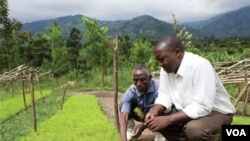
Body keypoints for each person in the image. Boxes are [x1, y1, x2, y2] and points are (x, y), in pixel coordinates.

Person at [145, 36, 236, 141]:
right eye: (158, 60)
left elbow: (203, 106)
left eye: (162, 59)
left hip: (216, 111)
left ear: (177, 53)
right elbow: (165, 95)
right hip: (186, 109)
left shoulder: (200, 66)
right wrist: (154, 111)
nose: (160, 64)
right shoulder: (166, 69)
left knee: (194, 130)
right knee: (155, 119)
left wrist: (169, 119)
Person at [119, 65, 165, 141]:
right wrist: (123, 139)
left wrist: (143, 126)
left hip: (156, 114)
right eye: (135, 80)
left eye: (142, 79)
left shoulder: (159, 88)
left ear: (150, 78)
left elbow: (161, 108)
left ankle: (160, 134)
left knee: (164, 108)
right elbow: (124, 117)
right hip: (141, 114)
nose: (139, 83)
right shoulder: (131, 92)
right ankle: (130, 131)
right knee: (122, 104)